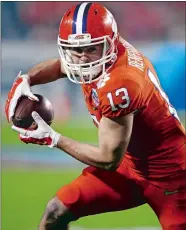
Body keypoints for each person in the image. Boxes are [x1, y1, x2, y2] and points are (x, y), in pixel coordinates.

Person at [5, 2, 186, 230]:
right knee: (55, 211)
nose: (82, 58)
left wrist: (53, 138)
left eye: (90, 49)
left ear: (109, 45)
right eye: (76, 50)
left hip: (171, 177)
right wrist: (26, 79)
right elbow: (64, 65)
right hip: (130, 166)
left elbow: (108, 159)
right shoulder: (102, 52)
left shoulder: (121, 84)